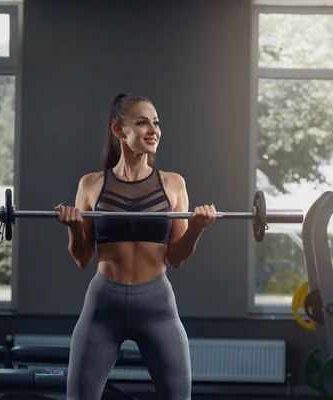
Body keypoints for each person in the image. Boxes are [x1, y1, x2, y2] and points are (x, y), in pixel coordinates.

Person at [54, 93, 216, 400]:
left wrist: (196, 230)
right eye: (142, 123)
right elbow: (83, 259)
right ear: (119, 131)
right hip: (104, 306)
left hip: (157, 306)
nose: (153, 130)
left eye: (155, 123)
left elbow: (177, 257)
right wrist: (75, 228)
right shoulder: (90, 184)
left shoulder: (173, 184)